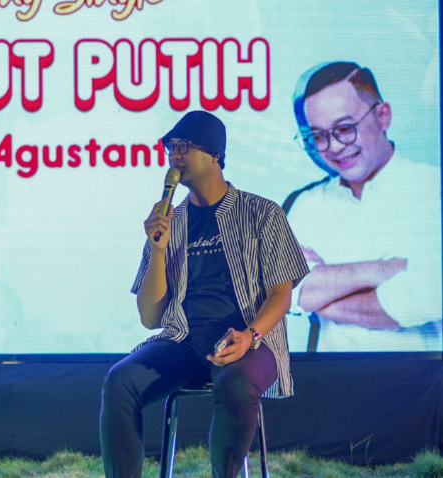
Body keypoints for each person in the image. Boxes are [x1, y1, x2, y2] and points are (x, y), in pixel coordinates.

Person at [100, 111, 309, 478]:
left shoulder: (262, 213)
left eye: (184, 146)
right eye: (171, 148)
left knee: (236, 385)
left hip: (249, 342)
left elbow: (281, 294)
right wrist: (158, 250)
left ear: (215, 154)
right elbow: (150, 317)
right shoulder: (170, 220)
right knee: (121, 382)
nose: (175, 156)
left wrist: (250, 336)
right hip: (184, 341)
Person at [284, 62, 442, 352]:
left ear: (383, 116)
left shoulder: (435, 192)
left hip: (425, 378)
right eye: (318, 135)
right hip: (329, 379)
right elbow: (278, 291)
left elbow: (429, 296)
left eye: (345, 128)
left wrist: (319, 296)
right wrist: (386, 269)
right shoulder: (304, 205)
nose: (333, 147)